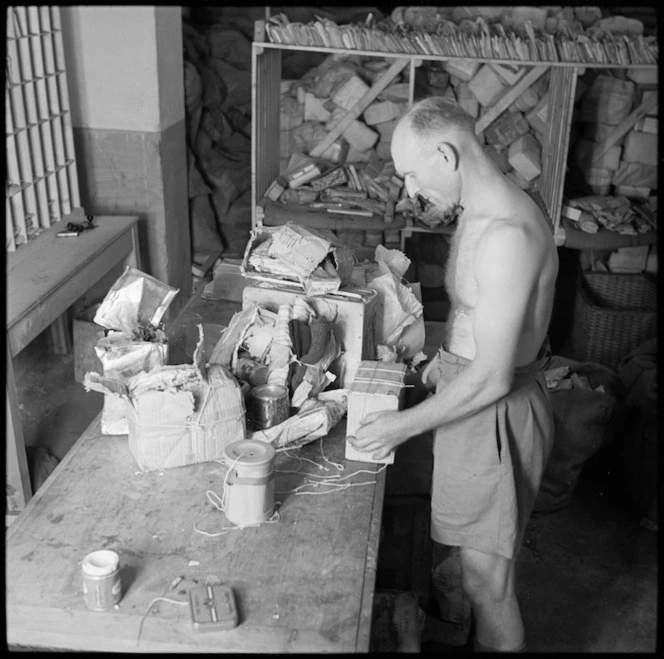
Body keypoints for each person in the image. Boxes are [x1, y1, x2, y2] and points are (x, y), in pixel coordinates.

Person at [347, 97, 559, 653]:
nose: (410, 190)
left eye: (413, 174)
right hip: (474, 398)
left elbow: (493, 377)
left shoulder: (507, 234)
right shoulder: (481, 209)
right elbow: (476, 318)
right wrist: (443, 359)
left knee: (490, 585)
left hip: (493, 412)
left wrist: (402, 425)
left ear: (446, 153)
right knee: (472, 574)